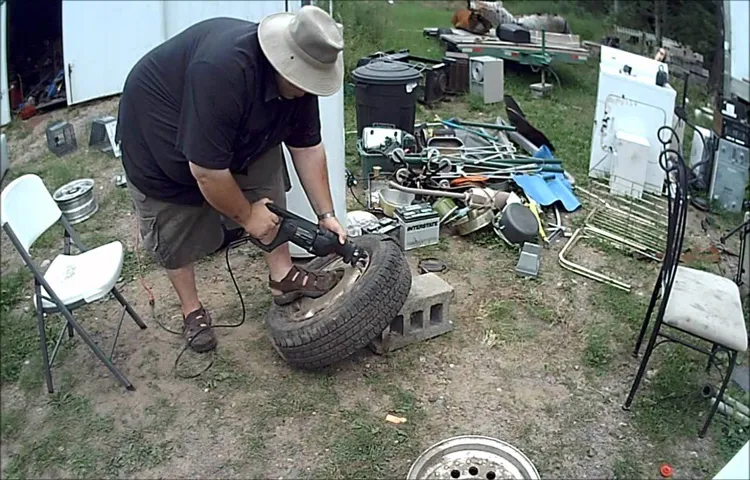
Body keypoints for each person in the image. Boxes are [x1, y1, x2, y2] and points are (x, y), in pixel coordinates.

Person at [115, 5, 347, 353]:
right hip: (159, 130)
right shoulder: (223, 71)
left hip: (232, 128)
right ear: (283, 60)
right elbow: (206, 171)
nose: (305, 90)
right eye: (302, 82)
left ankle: (283, 277)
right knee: (174, 218)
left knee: (266, 171)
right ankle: (191, 309)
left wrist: (326, 214)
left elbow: (308, 147)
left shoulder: (301, 77)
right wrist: (247, 215)